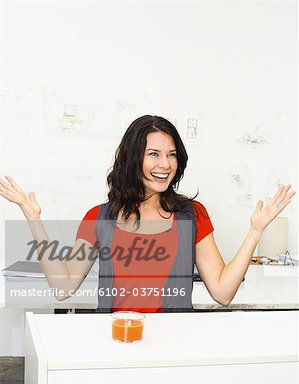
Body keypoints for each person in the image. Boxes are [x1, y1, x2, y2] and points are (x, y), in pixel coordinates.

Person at [0, 115, 296, 312]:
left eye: (171, 155)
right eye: (153, 154)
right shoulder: (99, 218)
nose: (165, 164)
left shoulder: (192, 216)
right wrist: (34, 220)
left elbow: (223, 292)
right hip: (117, 343)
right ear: (132, 159)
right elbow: (63, 287)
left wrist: (256, 230)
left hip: (175, 350)